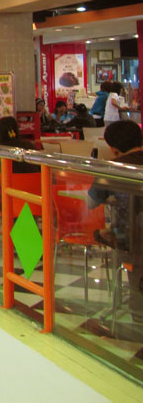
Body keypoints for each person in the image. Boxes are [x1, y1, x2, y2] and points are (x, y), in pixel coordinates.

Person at [88, 121, 143, 318]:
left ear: (113, 148)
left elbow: (90, 203)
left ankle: (136, 307)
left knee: (117, 235)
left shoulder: (112, 169)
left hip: (130, 240)